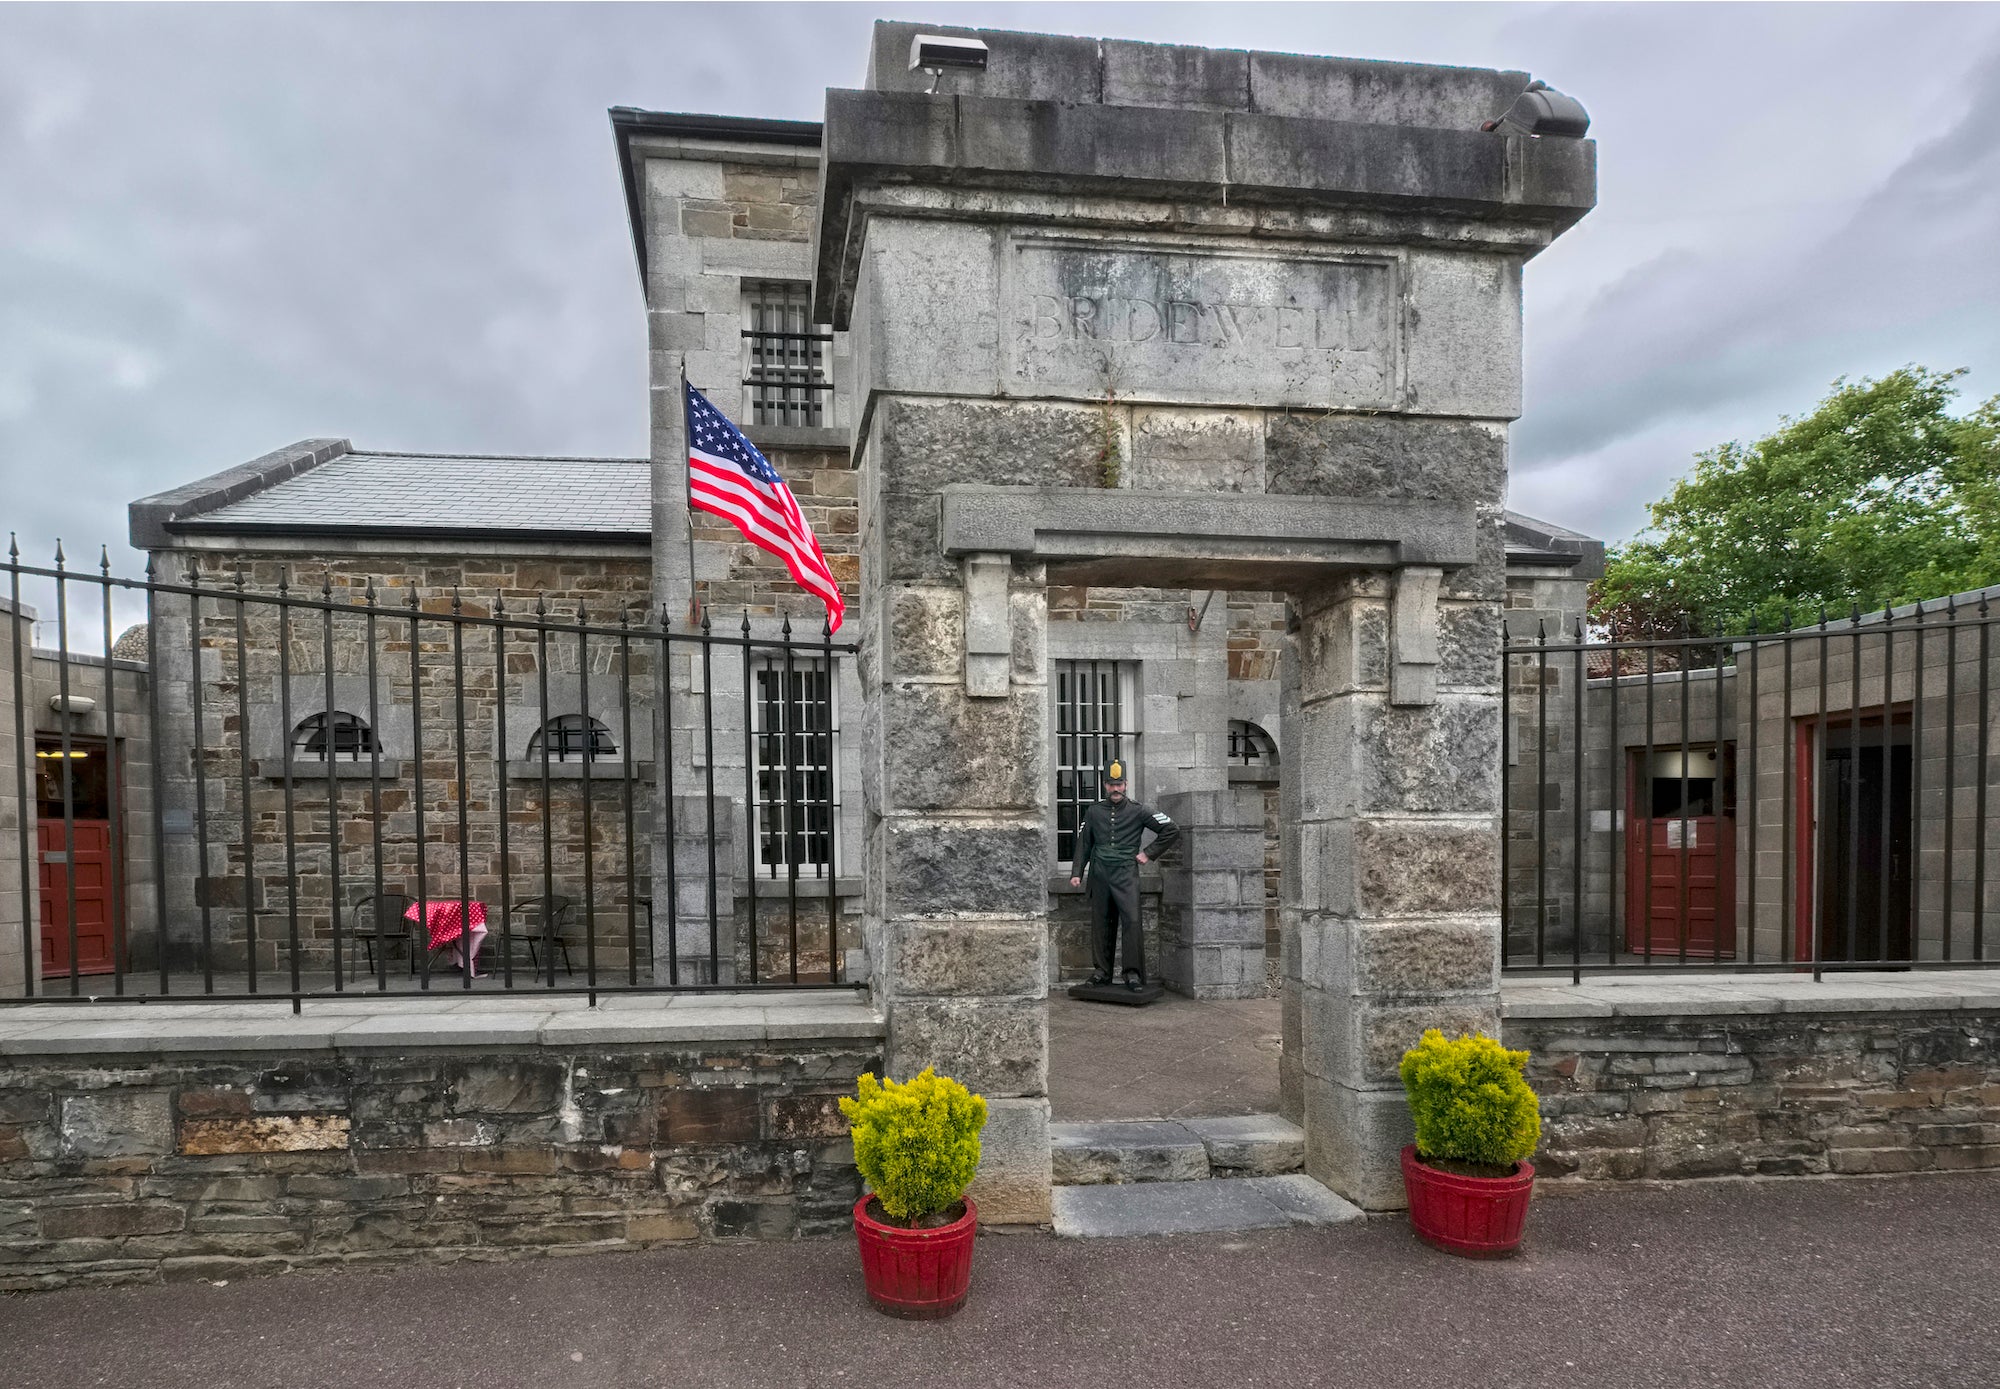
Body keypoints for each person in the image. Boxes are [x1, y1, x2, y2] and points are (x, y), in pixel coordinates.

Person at [1068, 760, 1180, 990]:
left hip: (1126, 875)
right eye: (1111, 784)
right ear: (1104, 785)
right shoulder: (1094, 810)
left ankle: (1132, 974)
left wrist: (1148, 853)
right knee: (1100, 924)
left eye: (1119, 784)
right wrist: (1077, 872)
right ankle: (1101, 972)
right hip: (1100, 875)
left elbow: (1171, 829)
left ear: (1126, 784)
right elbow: (1084, 843)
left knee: (1132, 922)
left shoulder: (1139, 810)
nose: (1115, 789)